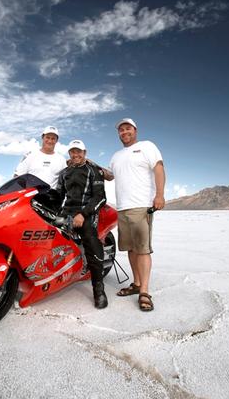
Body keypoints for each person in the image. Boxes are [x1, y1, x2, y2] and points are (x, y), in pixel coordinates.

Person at [108, 118, 165, 312]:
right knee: (131, 249)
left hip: (141, 206)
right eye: (121, 130)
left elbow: (158, 168)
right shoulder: (116, 156)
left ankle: (145, 292)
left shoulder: (147, 146)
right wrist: (88, 163)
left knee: (142, 249)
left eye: (128, 129)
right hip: (122, 208)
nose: (124, 132)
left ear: (135, 130)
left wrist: (159, 194)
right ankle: (137, 284)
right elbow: (110, 175)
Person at [57, 139, 108, 309]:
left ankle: (98, 289)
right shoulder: (64, 172)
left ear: (84, 153)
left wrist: (83, 214)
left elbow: (100, 197)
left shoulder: (93, 170)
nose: (76, 154)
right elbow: (58, 195)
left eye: (79, 151)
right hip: (66, 212)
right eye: (72, 151)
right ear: (69, 153)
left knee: (91, 243)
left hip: (87, 212)